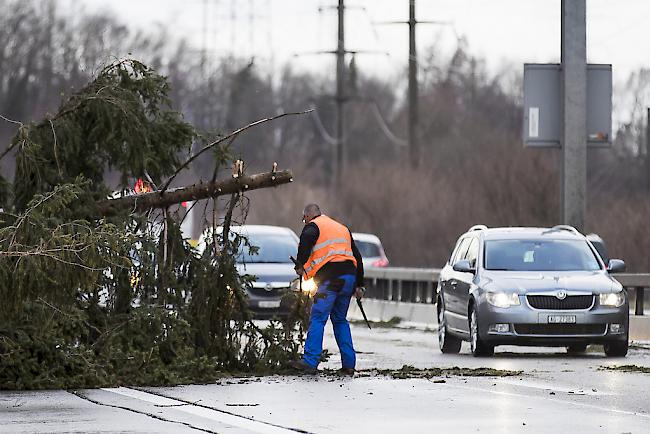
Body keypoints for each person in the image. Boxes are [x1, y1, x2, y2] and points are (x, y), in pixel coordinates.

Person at [289, 203, 365, 375]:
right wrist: (360, 284)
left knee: (318, 318)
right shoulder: (342, 228)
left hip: (330, 279)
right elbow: (357, 257)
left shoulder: (313, 226)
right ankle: (349, 365)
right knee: (340, 320)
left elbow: (306, 241)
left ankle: (310, 362)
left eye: (304, 219)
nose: (304, 222)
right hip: (349, 278)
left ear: (308, 215)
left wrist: (300, 264)